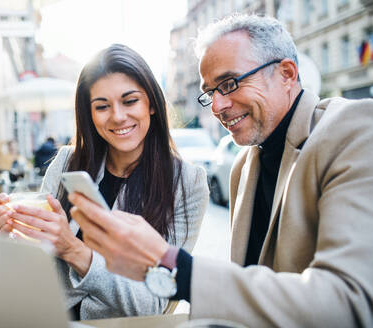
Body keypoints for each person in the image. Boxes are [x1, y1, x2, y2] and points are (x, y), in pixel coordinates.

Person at [68, 14, 373, 327]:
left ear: (286, 74)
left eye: (229, 84)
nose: (216, 106)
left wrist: (174, 266)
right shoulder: (244, 165)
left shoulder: (354, 129)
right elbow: (251, 295)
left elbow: (350, 302)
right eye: (211, 91)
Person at [0, 44, 209, 320]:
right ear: (89, 113)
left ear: (150, 103)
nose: (117, 116)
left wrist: (74, 250)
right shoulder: (67, 161)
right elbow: (33, 267)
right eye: (102, 106)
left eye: (129, 101)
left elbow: (153, 304)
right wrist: (7, 242)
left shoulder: (187, 182)